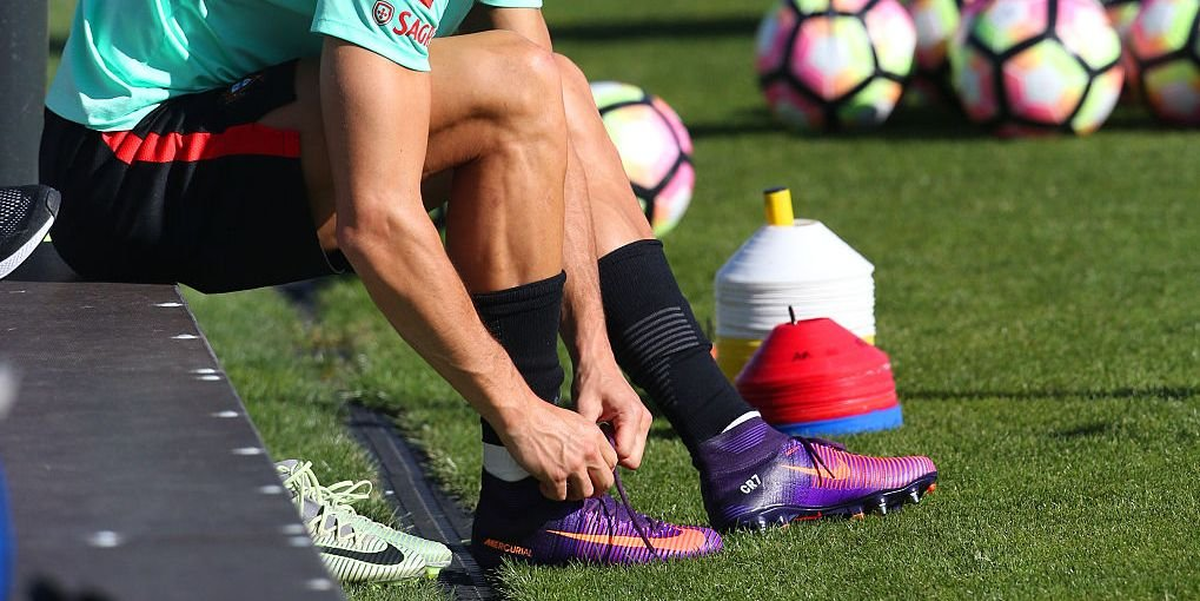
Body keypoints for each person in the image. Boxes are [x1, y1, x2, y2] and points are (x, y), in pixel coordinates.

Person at [42, 0, 937, 580]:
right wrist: (522, 411)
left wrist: (597, 351)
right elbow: (376, 220)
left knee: (549, 84)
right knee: (510, 95)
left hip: (222, 112)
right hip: (124, 163)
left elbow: (550, 115)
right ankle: (528, 497)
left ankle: (740, 449)